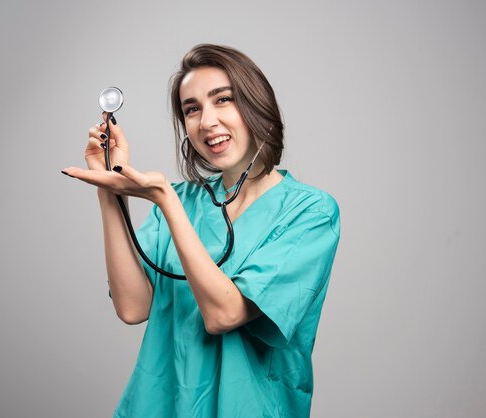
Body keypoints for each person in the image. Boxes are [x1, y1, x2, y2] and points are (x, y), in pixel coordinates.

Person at [62, 44, 340, 418]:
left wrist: (166, 201)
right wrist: (109, 189)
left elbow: (224, 315)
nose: (206, 121)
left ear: (259, 107)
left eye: (223, 100)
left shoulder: (311, 213)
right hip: (157, 406)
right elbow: (131, 306)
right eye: (192, 109)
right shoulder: (178, 202)